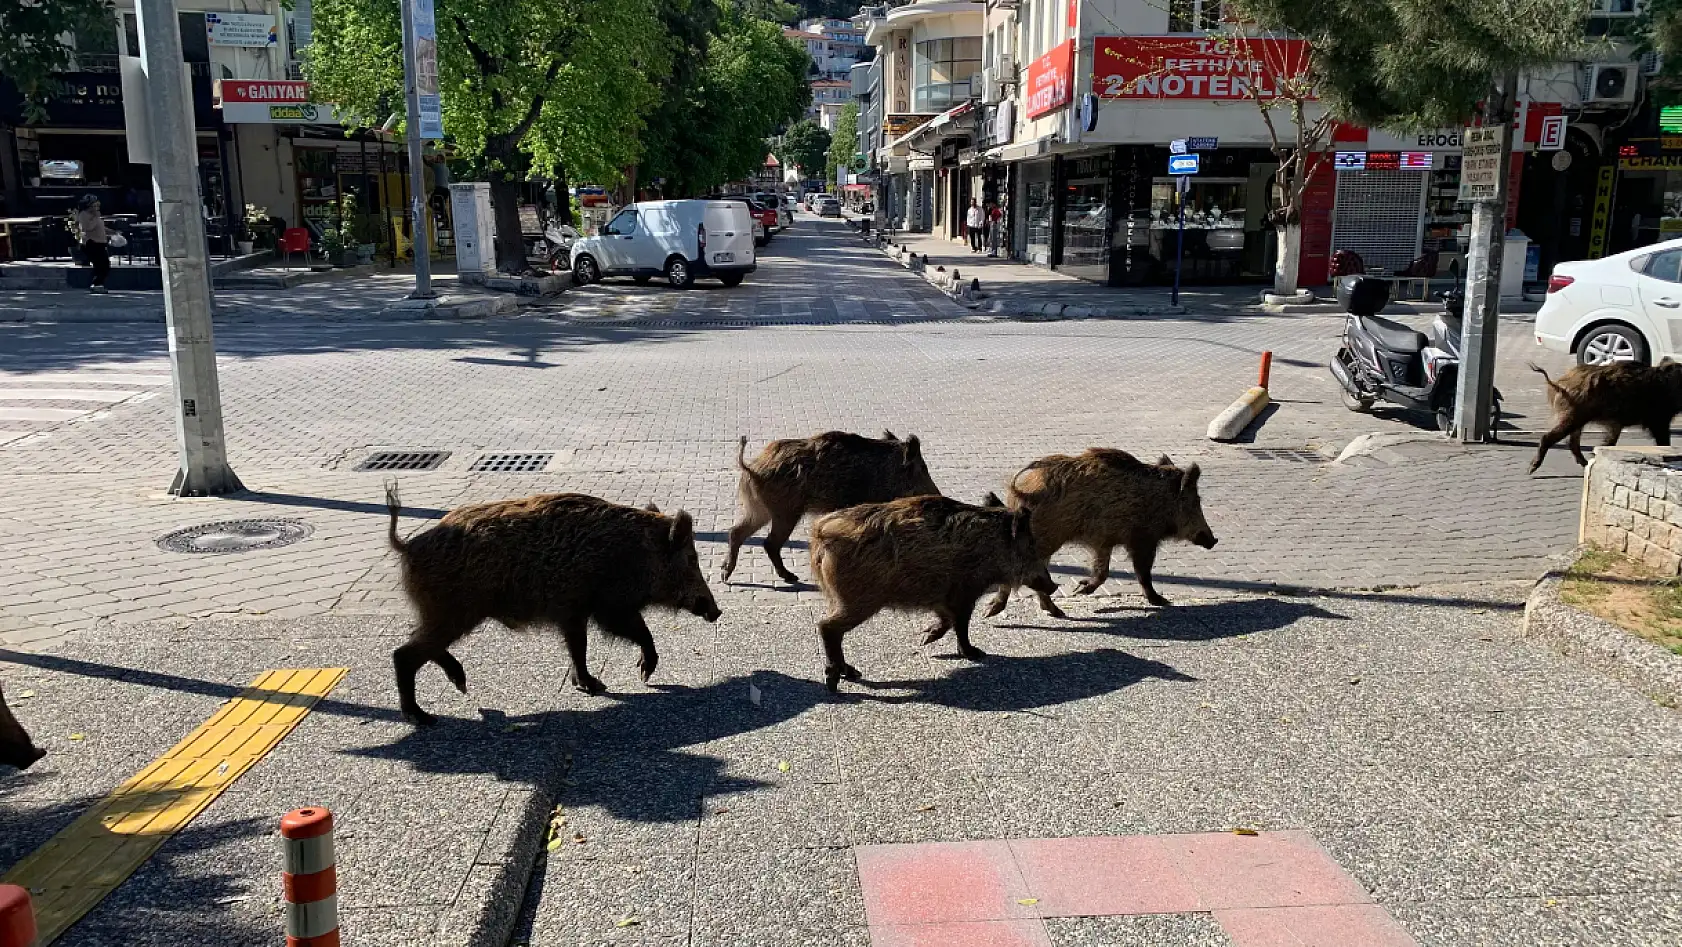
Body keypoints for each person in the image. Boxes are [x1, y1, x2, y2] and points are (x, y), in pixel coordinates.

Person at [75, 194, 110, 294]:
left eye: (97, 206)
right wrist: (95, 217)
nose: (96, 208)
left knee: (105, 265)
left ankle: (99, 284)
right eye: (93, 206)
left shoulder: (95, 216)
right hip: (92, 243)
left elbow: (100, 227)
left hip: (100, 243)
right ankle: (96, 284)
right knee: (101, 265)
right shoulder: (84, 215)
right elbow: (88, 228)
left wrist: (112, 232)